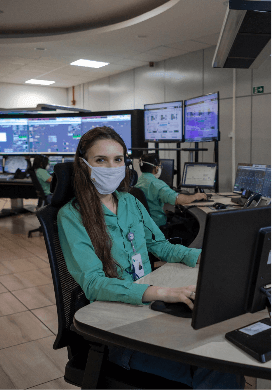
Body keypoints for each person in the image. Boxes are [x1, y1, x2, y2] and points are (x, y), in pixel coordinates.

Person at [57, 126, 245, 390]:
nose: (111, 167)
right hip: (118, 329)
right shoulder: (71, 215)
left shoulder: (130, 202)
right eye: (101, 160)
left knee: (221, 346)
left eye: (118, 160)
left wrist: (207, 258)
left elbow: (160, 245)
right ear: (84, 164)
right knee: (216, 366)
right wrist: (162, 292)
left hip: (149, 311)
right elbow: (94, 283)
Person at [135, 153, 207, 228]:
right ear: (156, 168)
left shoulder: (138, 181)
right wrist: (196, 196)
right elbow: (177, 199)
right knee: (189, 224)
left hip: (143, 225)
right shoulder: (156, 184)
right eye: (159, 166)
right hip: (157, 226)